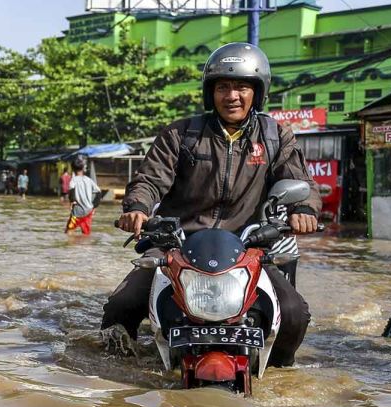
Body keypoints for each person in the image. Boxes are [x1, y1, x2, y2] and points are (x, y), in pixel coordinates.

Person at [101, 42, 321, 367]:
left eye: (242, 87)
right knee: (122, 304)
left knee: (293, 314)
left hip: (250, 246)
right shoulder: (181, 134)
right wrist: (138, 207)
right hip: (176, 243)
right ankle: (114, 370)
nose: (232, 96)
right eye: (223, 87)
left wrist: (304, 210)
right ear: (211, 92)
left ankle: (278, 371)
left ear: (257, 92)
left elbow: (302, 182)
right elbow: (149, 179)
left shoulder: (276, 137)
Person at [65, 157, 98, 235]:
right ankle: (86, 246)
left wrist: (72, 201)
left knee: (69, 231)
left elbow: (71, 191)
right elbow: (98, 193)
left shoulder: (73, 180)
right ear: (83, 168)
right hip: (89, 210)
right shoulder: (89, 180)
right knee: (86, 233)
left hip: (77, 211)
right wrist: (94, 206)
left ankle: (71, 246)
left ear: (72, 168)